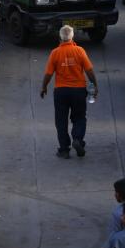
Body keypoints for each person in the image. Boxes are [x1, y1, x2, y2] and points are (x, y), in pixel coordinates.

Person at [40, 25, 97, 158]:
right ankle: (77, 139)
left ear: (60, 38)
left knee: (61, 121)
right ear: (72, 37)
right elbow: (89, 71)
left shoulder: (55, 53)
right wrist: (95, 85)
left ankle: (64, 149)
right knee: (79, 117)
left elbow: (48, 74)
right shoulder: (80, 51)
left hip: (61, 91)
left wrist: (44, 87)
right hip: (78, 91)